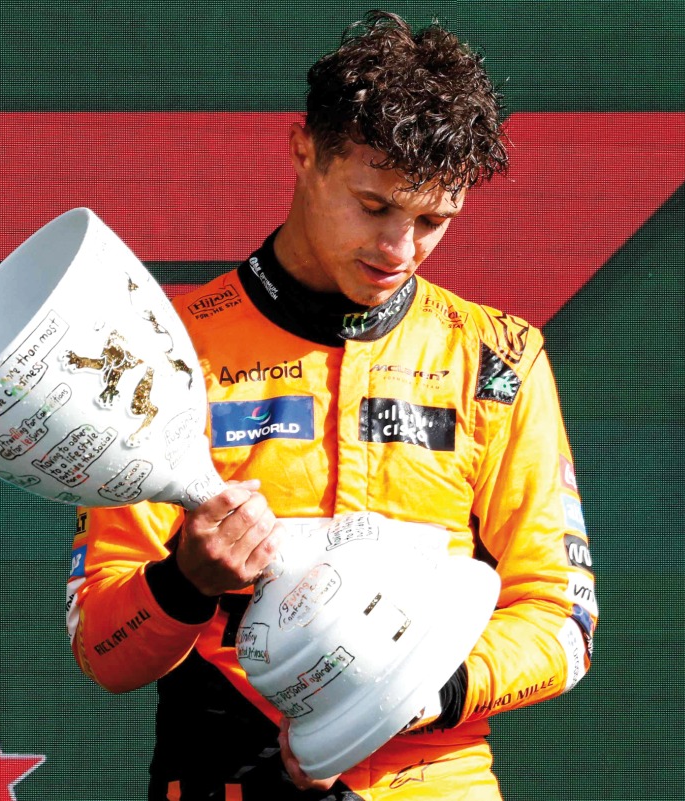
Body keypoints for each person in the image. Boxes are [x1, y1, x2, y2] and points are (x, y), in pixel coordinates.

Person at [66, 10, 597, 799]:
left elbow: (562, 620)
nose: (399, 250)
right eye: (375, 206)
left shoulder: (498, 357)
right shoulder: (167, 351)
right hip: (223, 774)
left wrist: (428, 692)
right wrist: (184, 581)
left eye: (431, 221)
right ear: (303, 151)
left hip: (434, 776)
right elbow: (104, 649)